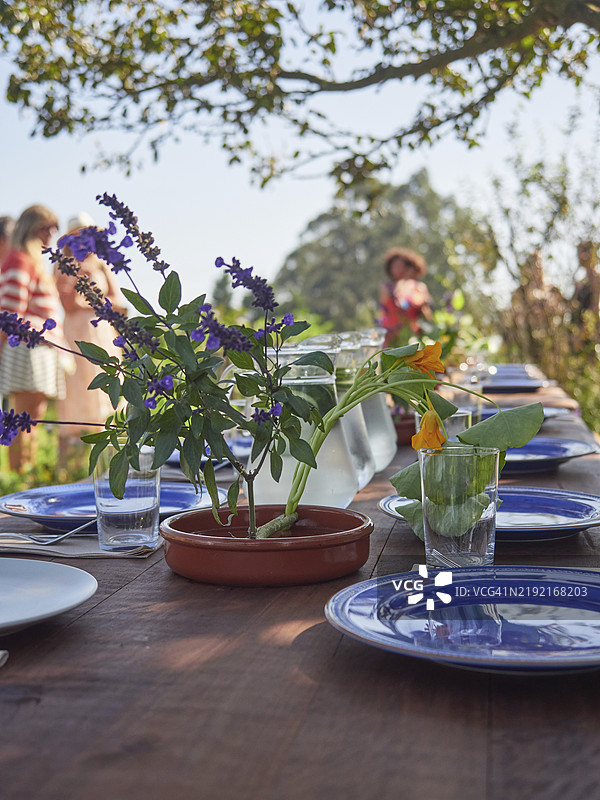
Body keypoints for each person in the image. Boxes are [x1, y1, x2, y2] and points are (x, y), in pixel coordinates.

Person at [0, 205, 66, 471]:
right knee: (24, 418)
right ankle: (19, 476)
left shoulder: (30, 259)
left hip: (39, 347)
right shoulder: (20, 259)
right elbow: (9, 311)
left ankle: (23, 473)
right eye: (45, 227)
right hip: (28, 347)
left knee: (32, 417)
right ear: (30, 228)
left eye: (53, 228)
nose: (50, 234)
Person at [55, 219, 126, 461]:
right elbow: (68, 303)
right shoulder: (64, 265)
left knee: (107, 390)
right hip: (77, 334)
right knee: (78, 391)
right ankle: (71, 465)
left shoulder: (101, 265)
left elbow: (119, 303)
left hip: (103, 333)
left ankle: (111, 460)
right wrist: (80, 282)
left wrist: (97, 299)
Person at [379, 246, 432, 346]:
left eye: (400, 266)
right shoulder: (386, 288)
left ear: (409, 267)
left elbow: (427, 316)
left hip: (413, 337)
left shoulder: (420, 288)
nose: (397, 270)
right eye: (394, 266)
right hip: (392, 337)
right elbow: (384, 312)